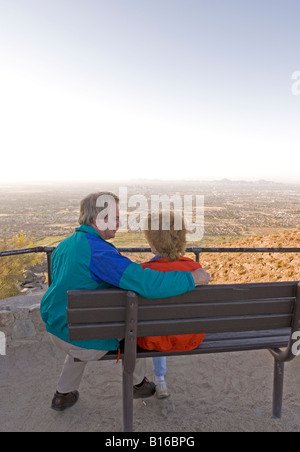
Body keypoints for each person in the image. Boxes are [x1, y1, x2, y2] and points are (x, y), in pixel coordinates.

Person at [40, 191, 211, 411]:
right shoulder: (100, 252)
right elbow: (147, 282)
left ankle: (62, 393)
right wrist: (192, 277)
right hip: (85, 340)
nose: (120, 222)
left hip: (60, 329)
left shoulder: (65, 245)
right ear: (97, 220)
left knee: (87, 326)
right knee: (133, 326)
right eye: (115, 217)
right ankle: (138, 384)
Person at [138, 210, 207, 399]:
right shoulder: (196, 270)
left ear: (152, 244)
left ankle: (159, 378)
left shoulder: (144, 273)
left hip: (154, 340)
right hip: (190, 337)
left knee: (155, 326)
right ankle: (160, 378)